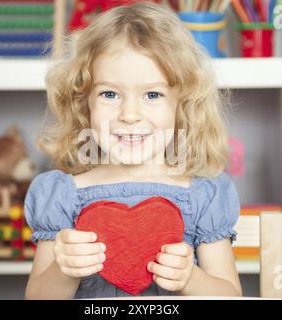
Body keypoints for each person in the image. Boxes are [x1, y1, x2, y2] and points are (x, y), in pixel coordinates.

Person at [24, 1, 242, 299]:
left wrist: (192, 279)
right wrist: (63, 270)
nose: (129, 114)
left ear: (183, 105)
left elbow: (229, 294)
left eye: (152, 94)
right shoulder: (61, 195)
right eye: (109, 94)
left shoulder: (204, 195)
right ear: (83, 102)